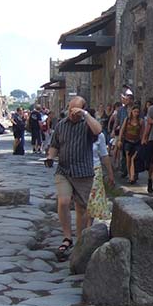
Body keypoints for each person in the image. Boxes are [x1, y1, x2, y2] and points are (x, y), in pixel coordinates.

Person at [45, 97, 102, 260]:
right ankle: (67, 237)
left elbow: (98, 131)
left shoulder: (87, 125)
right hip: (63, 170)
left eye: (75, 110)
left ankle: (80, 239)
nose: (71, 113)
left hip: (83, 172)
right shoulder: (61, 125)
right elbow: (55, 145)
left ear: (83, 109)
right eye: (70, 109)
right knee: (63, 201)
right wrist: (50, 157)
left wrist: (85, 114)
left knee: (82, 208)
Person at [86, 116, 115, 225]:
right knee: (82, 201)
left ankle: (88, 228)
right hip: (79, 170)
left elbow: (104, 155)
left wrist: (110, 174)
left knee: (93, 200)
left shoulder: (100, 136)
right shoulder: (78, 134)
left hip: (95, 169)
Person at [119, 104, 143, 185]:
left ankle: (133, 175)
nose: (136, 113)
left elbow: (142, 132)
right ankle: (130, 176)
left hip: (136, 141)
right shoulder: (127, 120)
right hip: (127, 141)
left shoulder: (140, 121)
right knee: (128, 158)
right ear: (132, 112)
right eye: (134, 111)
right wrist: (120, 140)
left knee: (134, 158)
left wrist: (143, 141)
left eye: (137, 112)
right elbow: (122, 130)